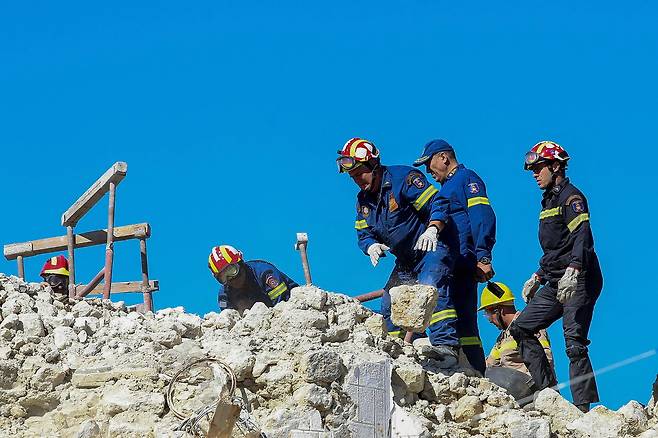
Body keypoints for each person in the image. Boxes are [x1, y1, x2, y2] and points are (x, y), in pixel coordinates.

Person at [337, 137, 461, 367]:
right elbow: (364, 234)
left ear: (374, 166)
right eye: (352, 177)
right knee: (389, 304)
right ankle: (397, 352)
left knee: (429, 287)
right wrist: (370, 246)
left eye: (359, 174)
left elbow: (438, 204)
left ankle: (446, 347)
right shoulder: (363, 200)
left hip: (432, 247)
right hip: (406, 260)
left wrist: (433, 229)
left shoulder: (403, 179)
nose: (357, 180)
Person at [509, 140, 603, 413]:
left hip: (580, 278)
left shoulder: (571, 197)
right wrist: (538, 275)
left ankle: (582, 410)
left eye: (539, 168)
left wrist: (574, 269)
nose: (535, 174)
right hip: (555, 279)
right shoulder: (548, 200)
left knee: (573, 343)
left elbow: (582, 238)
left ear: (555, 165)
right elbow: (556, 247)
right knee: (520, 327)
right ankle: (549, 395)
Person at [413, 139, 497, 375]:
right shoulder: (447, 187)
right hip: (455, 259)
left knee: (460, 314)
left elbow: (481, 216)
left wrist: (483, 255)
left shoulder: (466, 179)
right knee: (461, 316)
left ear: (443, 158)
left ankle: (470, 366)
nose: (428, 172)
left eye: (429, 164)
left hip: (465, 258)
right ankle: (472, 371)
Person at [479, 281, 555, 401]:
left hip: (533, 390)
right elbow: (488, 365)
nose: (489, 320)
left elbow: (546, 359)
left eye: (488, 314)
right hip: (514, 390)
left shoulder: (529, 325)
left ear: (499, 310)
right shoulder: (502, 339)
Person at [208, 245, 299, 314]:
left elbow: (283, 306)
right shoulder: (224, 296)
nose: (231, 279)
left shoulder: (264, 273)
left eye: (232, 270)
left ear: (241, 263)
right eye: (223, 277)